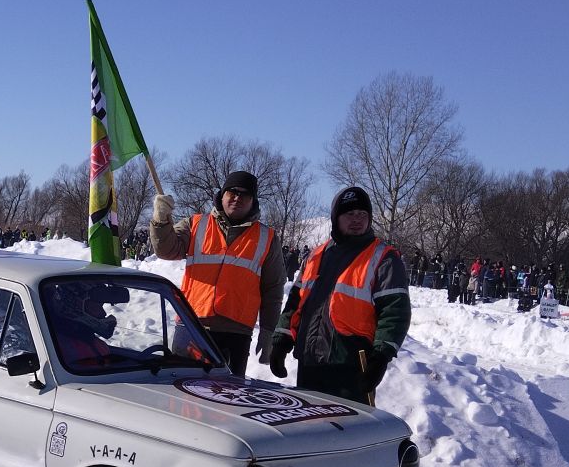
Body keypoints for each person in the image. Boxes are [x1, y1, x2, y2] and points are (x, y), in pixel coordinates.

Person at [266, 185, 411, 405]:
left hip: (352, 365)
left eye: (363, 214)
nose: (357, 219)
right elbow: (295, 303)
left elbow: (395, 312)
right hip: (310, 361)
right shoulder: (316, 256)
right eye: (350, 214)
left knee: (347, 436)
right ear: (336, 217)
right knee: (308, 431)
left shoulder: (384, 258)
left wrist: (381, 357)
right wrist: (281, 341)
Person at [150, 170, 284, 377]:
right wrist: (160, 221)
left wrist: (268, 331)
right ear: (222, 195)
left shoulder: (267, 238)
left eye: (245, 194)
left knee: (224, 399)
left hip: (236, 333)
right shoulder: (194, 224)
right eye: (232, 192)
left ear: (253, 201)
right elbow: (166, 250)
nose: (237, 198)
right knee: (181, 394)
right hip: (192, 327)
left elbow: (273, 289)